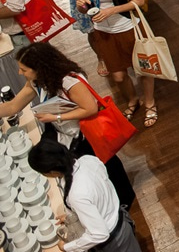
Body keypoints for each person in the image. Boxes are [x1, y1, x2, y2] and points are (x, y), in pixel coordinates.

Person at [0, 43, 135, 208]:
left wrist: (56, 117)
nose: (20, 73)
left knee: (106, 164)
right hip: (66, 132)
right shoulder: (37, 81)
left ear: (39, 68)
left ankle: (124, 200)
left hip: (85, 134)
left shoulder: (69, 80)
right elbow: (13, 106)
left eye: (24, 69)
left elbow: (90, 108)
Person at [69, 0, 155, 127]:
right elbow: (84, 8)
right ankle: (133, 100)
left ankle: (150, 103)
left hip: (128, 28)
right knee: (118, 76)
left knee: (143, 70)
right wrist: (81, 5)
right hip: (103, 32)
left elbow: (139, 0)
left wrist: (111, 10)